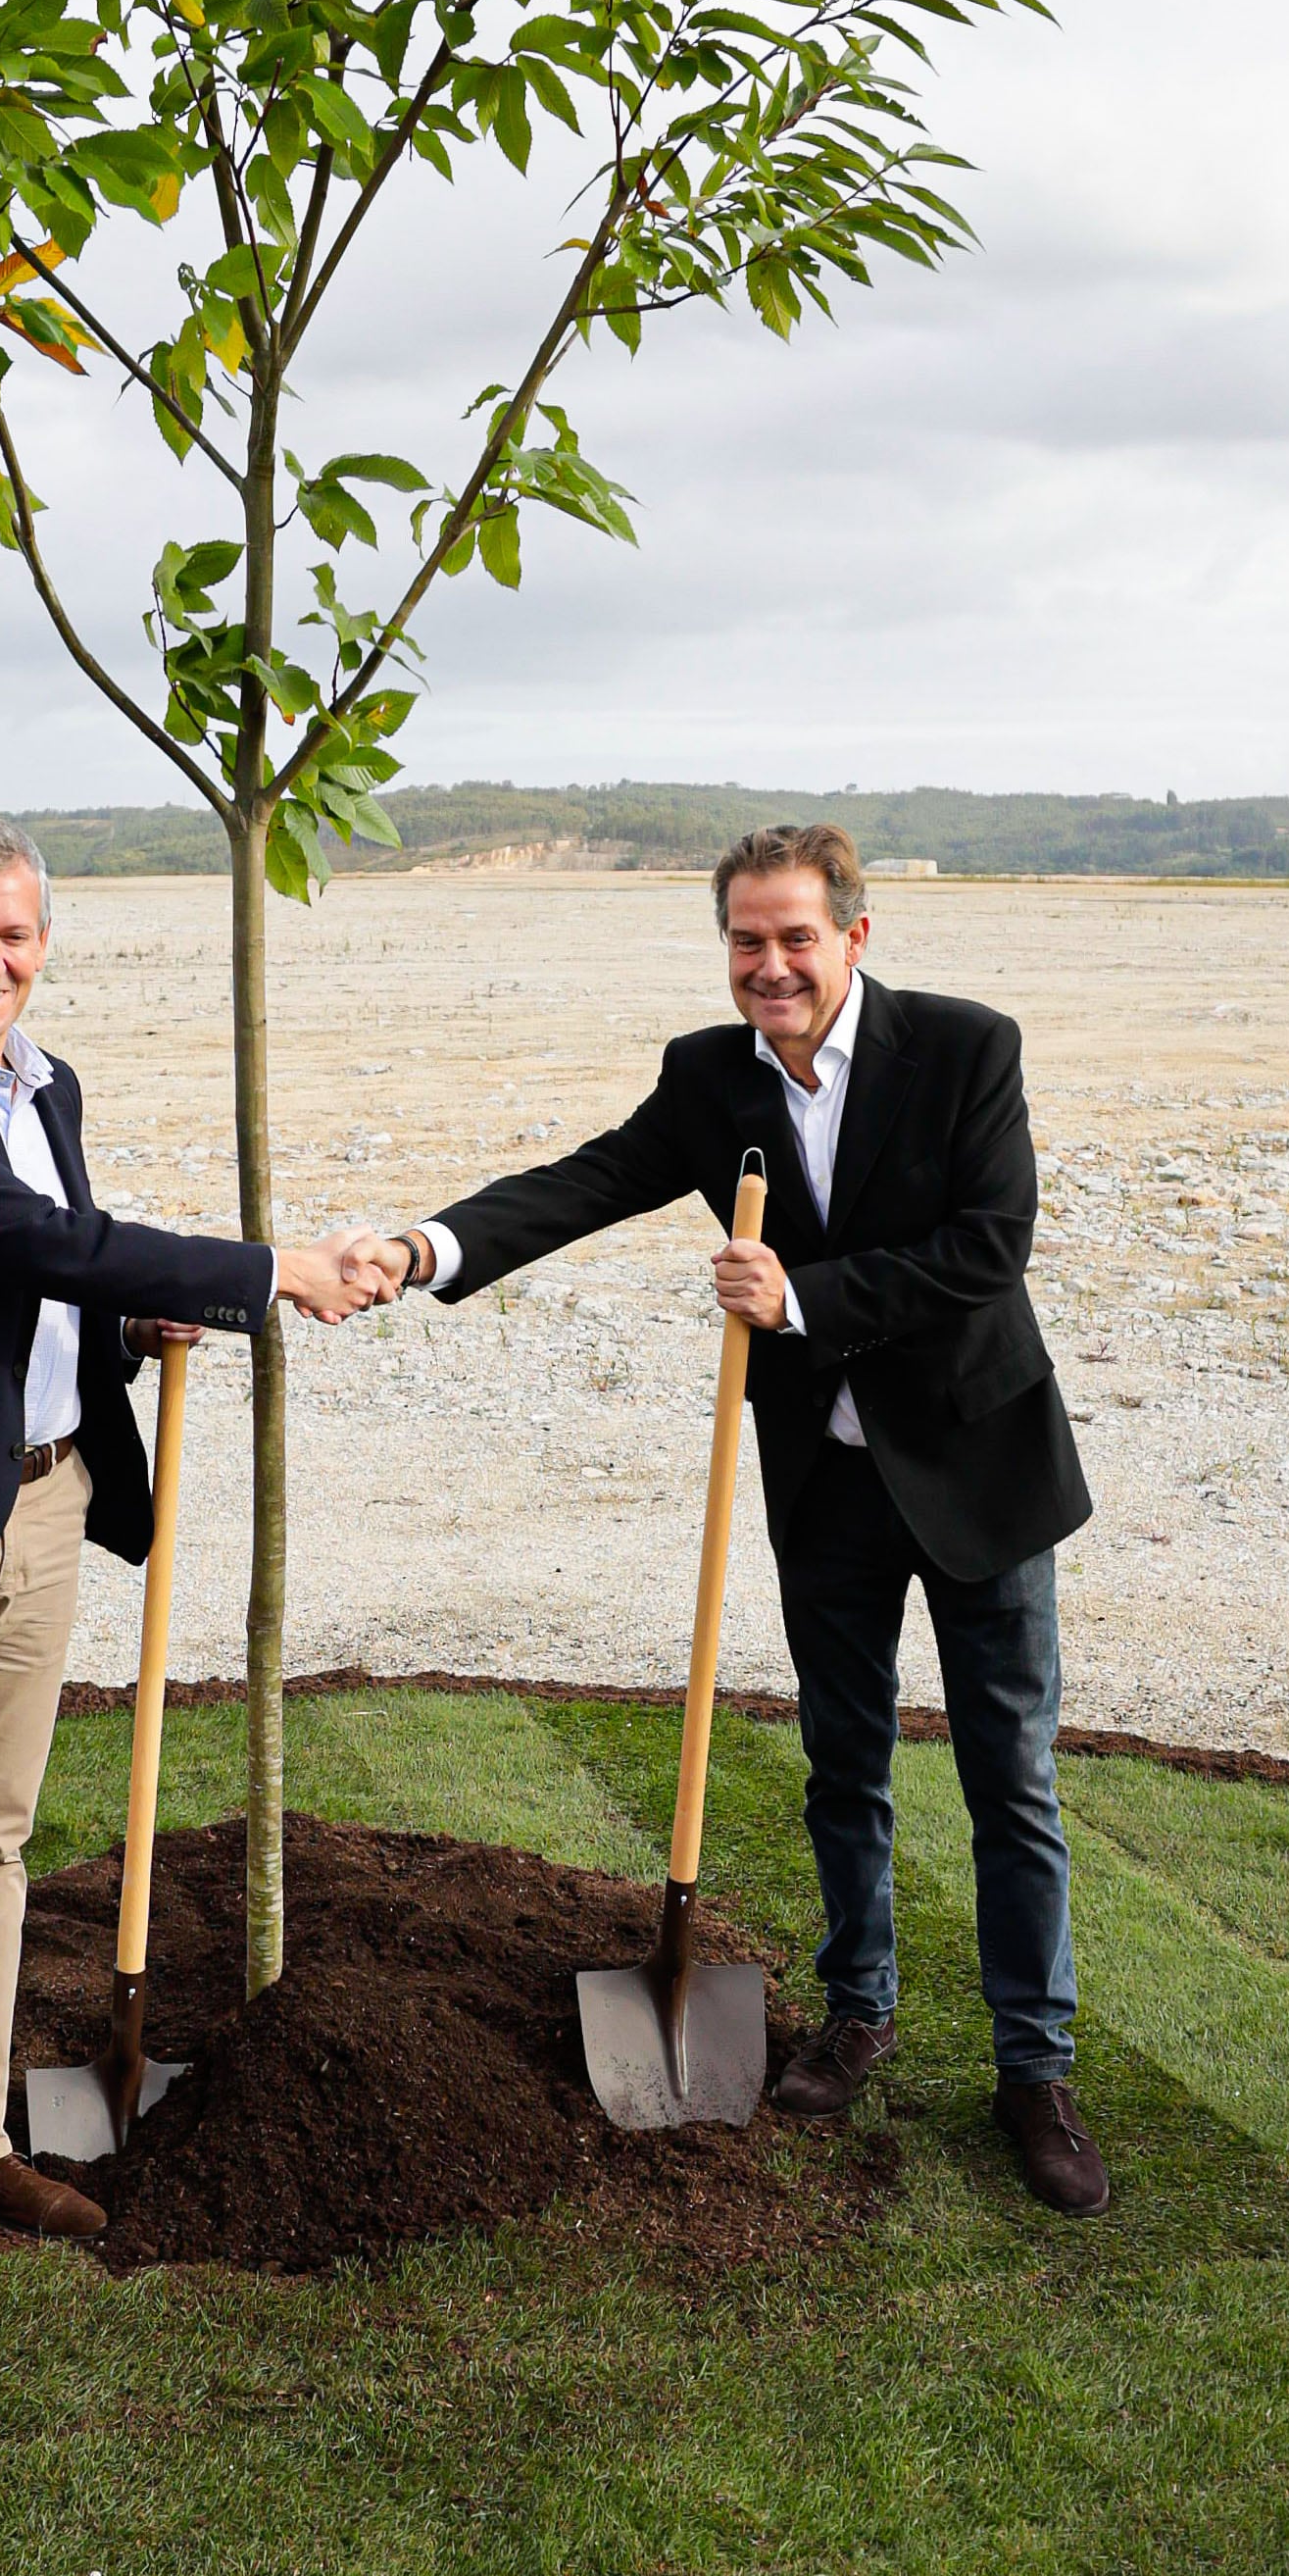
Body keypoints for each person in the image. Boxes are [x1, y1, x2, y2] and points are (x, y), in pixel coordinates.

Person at [356, 822, 1108, 2213]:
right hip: (824, 1478)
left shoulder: (964, 1049)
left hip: (978, 1467)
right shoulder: (710, 1078)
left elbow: (988, 1248)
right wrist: (424, 1249)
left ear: (855, 938)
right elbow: (584, 1182)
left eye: (796, 940)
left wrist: (804, 1298)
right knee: (844, 1762)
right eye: (746, 943)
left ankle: (1033, 2069)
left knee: (1012, 1775)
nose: (770, 967)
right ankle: (859, 2016)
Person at [0, 818, 380, 2341]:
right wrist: (261, 1269)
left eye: (15, 936)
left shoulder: (50, 1082)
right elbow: (29, 1235)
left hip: (37, 1508)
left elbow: (29, 1283)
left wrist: (127, 1334)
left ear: (46, 941)